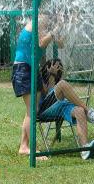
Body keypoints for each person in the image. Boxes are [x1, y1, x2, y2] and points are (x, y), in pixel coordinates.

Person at [11, 14, 63, 158]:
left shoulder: (47, 27)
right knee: (32, 111)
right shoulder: (39, 20)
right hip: (23, 69)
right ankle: (32, 149)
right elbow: (41, 43)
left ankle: (24, 146)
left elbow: (61, 44)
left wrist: (62, 28)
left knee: (32, 110)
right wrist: (55, 30)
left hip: (32, 70)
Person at [38, 59, 94, 160]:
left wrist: (57, 75)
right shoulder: (41, 80)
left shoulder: (58, 81)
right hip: (45, 109)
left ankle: (84, 149)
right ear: (47, 67)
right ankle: (89, 111)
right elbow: (46, 92)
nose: (57, 69)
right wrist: (51, 75)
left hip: (61, 107)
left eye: (59, 67)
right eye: (54, 66)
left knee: (79, 111)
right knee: (62, 84)